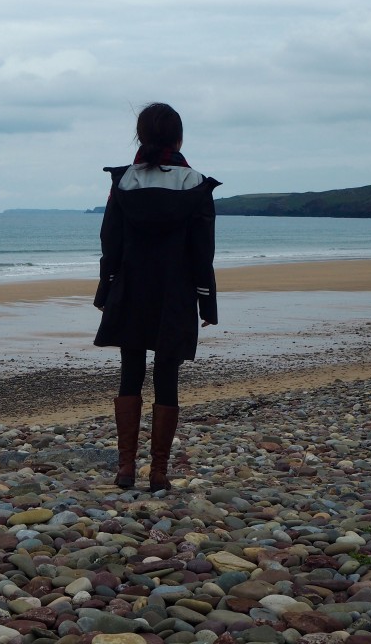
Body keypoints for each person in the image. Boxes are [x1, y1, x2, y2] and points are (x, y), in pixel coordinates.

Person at [93, 102, 220, 491]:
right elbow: (203, 251)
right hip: (176, 293)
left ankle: (125, 469)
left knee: (130, 373)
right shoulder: (195, 184)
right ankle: (159, 473)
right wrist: (206, 301)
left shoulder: (124, 182)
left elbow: (109, 242)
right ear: (178, 138)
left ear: (141, 137)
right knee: (167, 376)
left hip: (131, 289)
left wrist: (106, 289)